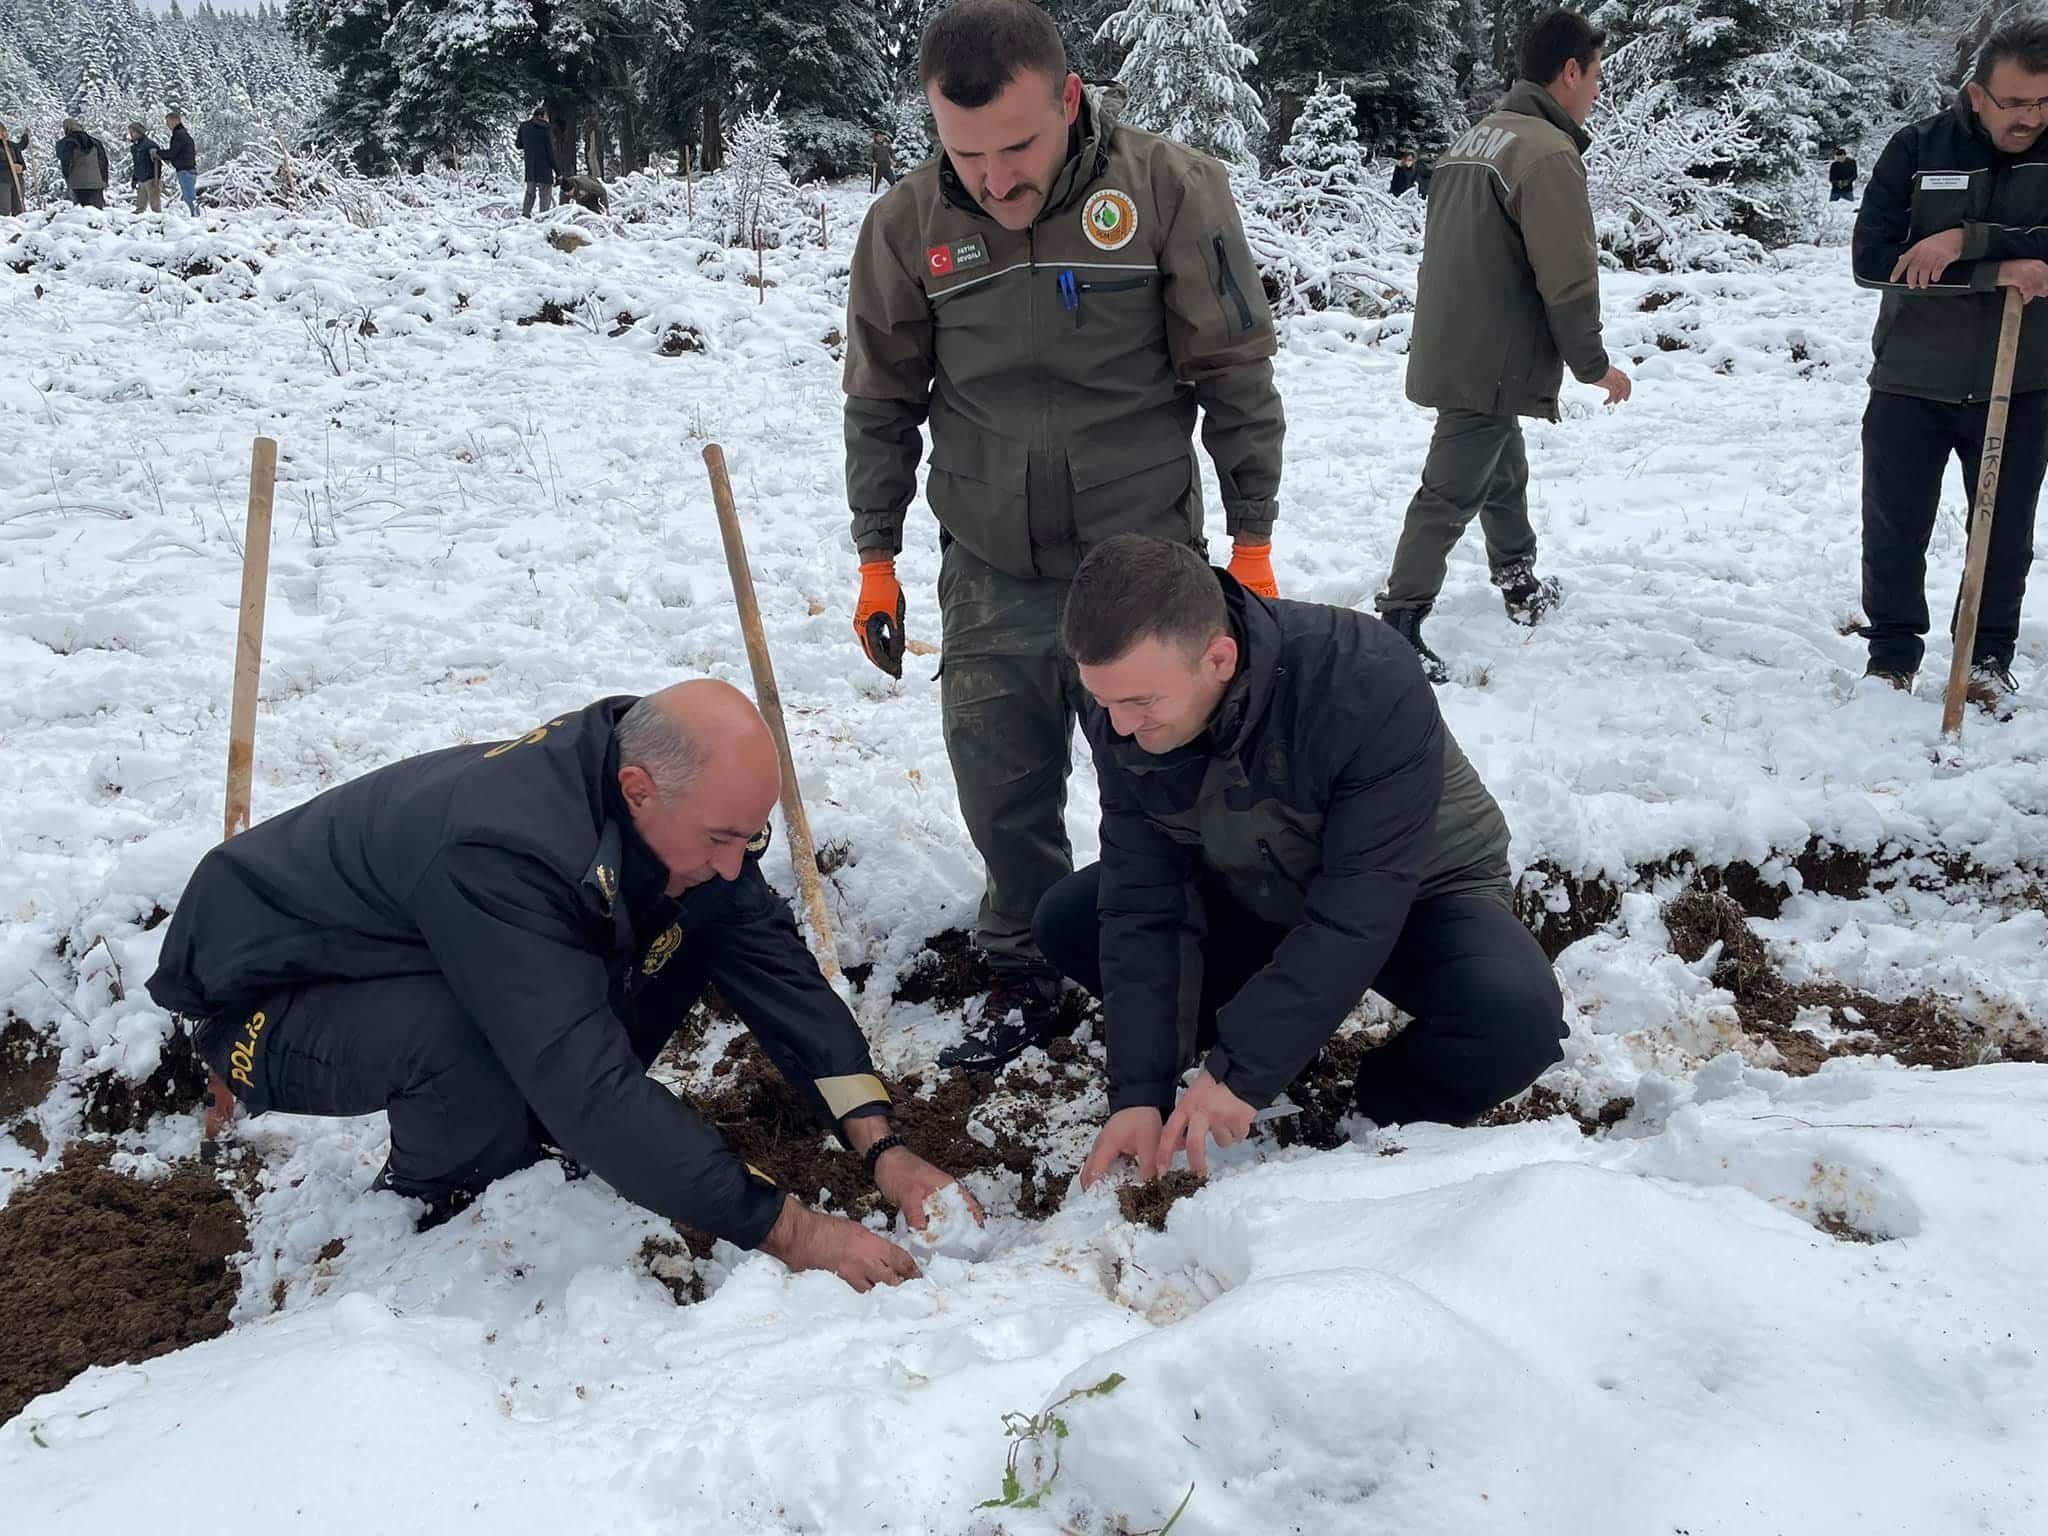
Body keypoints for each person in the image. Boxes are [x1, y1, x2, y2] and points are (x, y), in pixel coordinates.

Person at [145, 684, 978, 1291]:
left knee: (703, 914)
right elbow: (588, 1085)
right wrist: (792, 1231)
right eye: (724, 836)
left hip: (414, 951)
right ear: (637, 791)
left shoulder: (670, 809)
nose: (739, 860)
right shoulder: (504, 851)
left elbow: (781, 977)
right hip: (272, 1002)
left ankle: (519, 1137)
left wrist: (885, 1149)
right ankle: (442, 1207)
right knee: (471, 1038)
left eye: (751, 836)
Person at [843, 0, 1286, 1070]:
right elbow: (879, 398)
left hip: (1141, 560)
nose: (993, 178)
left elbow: (1232, 372)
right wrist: (874, 556)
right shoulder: (907, 227)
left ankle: (1194, 963)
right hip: (990, 562)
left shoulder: (1170, 192)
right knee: (999, 785)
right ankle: (1024, 965)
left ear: (1070, 100)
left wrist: (1252, 538)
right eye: (966, 153)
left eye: (1017, 147)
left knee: (1165, 780)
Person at [1034, 536, 1565, 1185]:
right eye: (1104, 702)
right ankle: (1284, 1041)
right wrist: (1140, 1093)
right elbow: (1143, 895)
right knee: (1070, 920)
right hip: (1256, 881)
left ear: (1219, 658)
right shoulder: (1128, 695)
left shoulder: (1364, 679)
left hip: (1416, 891)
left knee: (1514, 1018)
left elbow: (1358, 910)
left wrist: (1242, 1071)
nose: (1116, 728)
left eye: (1138, 705)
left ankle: (1387, 1109)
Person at [1377, 8, 1631, 683]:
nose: (1597, 89)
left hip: (1459, 343)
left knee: (1502, 466)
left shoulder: (1477, 138)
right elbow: (1568, 273)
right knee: (1450, 491)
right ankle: (1398, 620)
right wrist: (1593, 364)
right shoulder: (1545, 152)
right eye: (1596, 74)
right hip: (1487, 357)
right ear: (1569, 71)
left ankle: (1517, 580)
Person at [1851, 18, 2048, 709]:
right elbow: (1873, 260)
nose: (2030, 118)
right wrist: (1999, 269)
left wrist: (1967, 238)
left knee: (2003, 528)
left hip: (2021, 378)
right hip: (1912, 376)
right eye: (2015, 103)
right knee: (1894, 523)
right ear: (1976, 94)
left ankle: (1988, 658)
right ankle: (1892, 657)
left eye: (2044, 103)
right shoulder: (1916, 148)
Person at [55, 119, 109, 209]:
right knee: (98, 213)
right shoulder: (96, 142)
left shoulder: (66, 143)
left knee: (81, 214)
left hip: (77, 183)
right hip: (96, 182)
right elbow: (103, 163)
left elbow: (65, 162)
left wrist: (67, 179)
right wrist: (104, 180)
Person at [518, 106, 556, 216]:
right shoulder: (546, 128)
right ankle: (543, 217)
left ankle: (525, 215)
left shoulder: (524, 126)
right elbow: (550, 152)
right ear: (541, 116)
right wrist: (558, 171)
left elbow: (518, 145)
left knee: (530, 192)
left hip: (530, 165)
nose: (548, 119)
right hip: (544, 167)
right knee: (545, 194)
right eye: (547, 117)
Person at [165, 111, 199, 214]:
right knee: (187, 196)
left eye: (168, 121)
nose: (167, 124)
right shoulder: (183, 134)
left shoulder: (179, 135)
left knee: (189, 197)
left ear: (176, 121)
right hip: (188, 169)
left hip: (185, 170)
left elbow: (173, 153)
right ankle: (192, 217)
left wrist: (158, 153)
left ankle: (196, 217)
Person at [127, 122, 163, 213]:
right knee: (140, 207)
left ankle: (159, 223)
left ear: (139, 132)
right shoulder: (135, 147)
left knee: (155, 207)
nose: (131, 134)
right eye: (130, 132)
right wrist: (135, 178)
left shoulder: (150, 145)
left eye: (133, 132)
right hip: (141, 179)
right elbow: (137, 164)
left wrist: (156, 179)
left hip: (151, 179)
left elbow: (157, 163)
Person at [0, 121, 25, 217]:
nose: (3, 134)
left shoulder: (12, 146)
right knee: (4, 209)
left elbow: (21, 163)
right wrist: (10, 166)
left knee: (18, 208)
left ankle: (19, 229)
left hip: (17, 180)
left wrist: (21, 167)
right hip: (2, 181)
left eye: (4, 131)